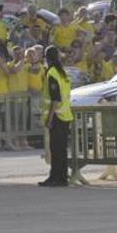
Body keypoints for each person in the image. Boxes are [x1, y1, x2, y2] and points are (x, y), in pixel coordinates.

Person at [38, 45, 73, 187]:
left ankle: (55, 177)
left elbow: (55, 98)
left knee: (56, 149)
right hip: (65, 114)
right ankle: (62, 177)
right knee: (62, 148)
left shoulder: (52, 73)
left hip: (57, 116)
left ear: (47, 58)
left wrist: (49, 118)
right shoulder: (62, 72)